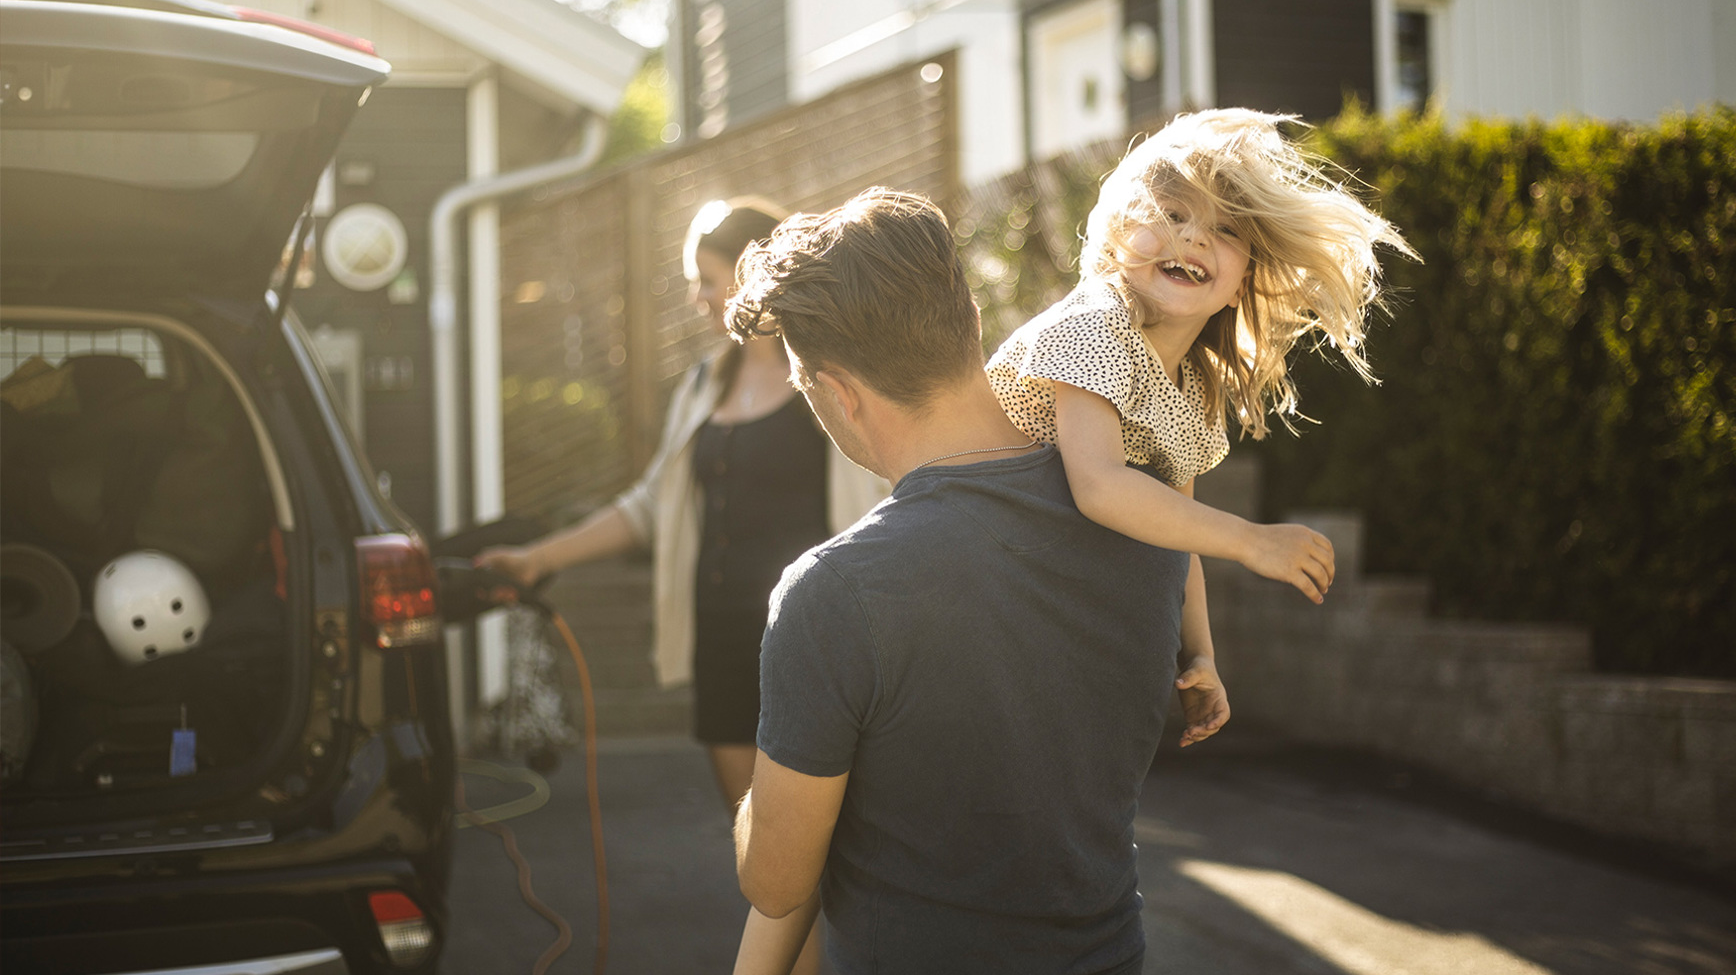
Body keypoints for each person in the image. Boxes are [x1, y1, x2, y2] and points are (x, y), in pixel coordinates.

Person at [725, 188, 1194, 975]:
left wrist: (776, 791)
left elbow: (774, 881)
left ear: (836, 393)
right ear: (970, 322)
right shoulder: (1147, 517)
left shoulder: (835, 594)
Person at [986, 108, 1414, 746]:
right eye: (1170, 213)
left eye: (1221, 230)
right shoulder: (1095, 322)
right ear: (1117, 236)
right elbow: (1099, 486)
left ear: (1244, 281)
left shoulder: (1190, 391)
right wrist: (1251, 541)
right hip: (972, 575)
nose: (1189, 238)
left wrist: (1202, 656)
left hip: (1045, 613)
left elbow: (1174, 534)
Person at [476, 197, 886, 813]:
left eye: (708, 281)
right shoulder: (702, 384)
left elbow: (889, 489)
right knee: (758, 848)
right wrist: (537, 559)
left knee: (833, 846)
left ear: (753, 277)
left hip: (816, 639)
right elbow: (651, 505)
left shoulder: (832, 377)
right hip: (721, 639)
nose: (697, 298)